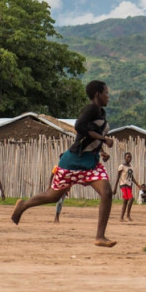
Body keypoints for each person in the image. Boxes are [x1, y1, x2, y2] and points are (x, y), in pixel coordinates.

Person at [12, 80, 117, 247]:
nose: (108, 96)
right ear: (97, 94)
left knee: (107, 192)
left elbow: (88, 138)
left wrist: (101, 149)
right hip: (73, 162)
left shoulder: (100, 113)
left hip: (91, 163)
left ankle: (100, 237)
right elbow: (79, 127)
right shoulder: (90, 109)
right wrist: (103, 138)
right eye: (106, 93)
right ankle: (23, 205)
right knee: (53, 196)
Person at [112, 152, 140, 222]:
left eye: (130, 157)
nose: (129, 158)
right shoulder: (121, 166)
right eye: (128, 157)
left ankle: (121, 218)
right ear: (125, 158)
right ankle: (128, 215)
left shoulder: (131, 167)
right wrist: (115, 188)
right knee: (131, 198)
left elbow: (131, 177)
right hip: (123, 185)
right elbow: (118, 177)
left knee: (125, 201)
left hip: (129, 185)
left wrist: (137, 184)